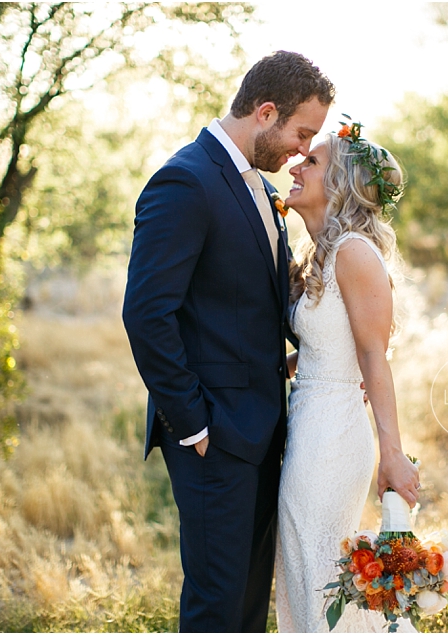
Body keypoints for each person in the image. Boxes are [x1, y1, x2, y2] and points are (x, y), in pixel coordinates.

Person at [122, 51, 334, 632]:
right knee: (217, 607)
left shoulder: (261, 193)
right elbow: (146, 314)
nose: (301, 149)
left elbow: (242, 309)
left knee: (247, 606)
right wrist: (191, 422)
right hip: (211, 437)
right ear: (266, 112)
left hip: (266, 431)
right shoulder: (185, 181)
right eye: (302, 133)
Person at [274, 124, 420, 632]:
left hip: (333, 438)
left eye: (310, 162)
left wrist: (392, 456)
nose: (295, 165)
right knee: (304, 571)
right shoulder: (322, 256)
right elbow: (323, 353)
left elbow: (374, 358)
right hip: (308, 426)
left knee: (321, 578)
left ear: (340, 182)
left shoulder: (354, 252)